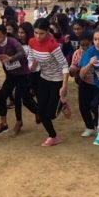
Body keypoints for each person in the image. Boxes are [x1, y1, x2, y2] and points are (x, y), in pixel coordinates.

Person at [0, 25, 37, 135]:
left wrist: (10, 58)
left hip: (23, 75)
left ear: (5, 35)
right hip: (11, 76)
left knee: (25, 99)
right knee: (1, 95)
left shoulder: (13, 42)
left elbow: (21, 53)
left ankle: (38, 112)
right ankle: (4, 124)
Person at [28, 18, 69, 146]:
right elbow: (30, 60)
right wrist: (32, 65)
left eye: (41, 33)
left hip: (57, 80)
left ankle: (63, 104)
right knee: (41, 112)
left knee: (51, 114)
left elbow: (65, 66)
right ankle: (53, 136)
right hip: (44, 78)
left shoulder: (53, 45)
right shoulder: (32, 42)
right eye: (35, 33)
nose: (38, 36)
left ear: (47, 32)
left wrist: (64, 86)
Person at [70, 31, 97, 137]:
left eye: (88, 45)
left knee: (95, 105)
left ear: (92, 43)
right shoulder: (77, 53)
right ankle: (89, 127)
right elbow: (73, 69)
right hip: (84, 82)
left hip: (98, 83)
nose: (85, 47)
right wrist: (72, 69)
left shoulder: (98, 52)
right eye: (82, 45)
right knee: (83, 106)